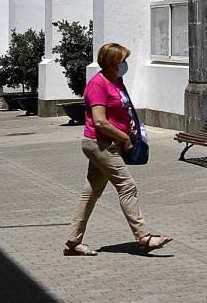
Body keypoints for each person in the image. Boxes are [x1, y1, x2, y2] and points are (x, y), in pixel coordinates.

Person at [64, 42, 172, 256]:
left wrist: (128, 123)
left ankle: (73, 242)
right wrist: (124, 138)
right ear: (112, 63)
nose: (125, 65)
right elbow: (100, 122)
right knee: (127, 185)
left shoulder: (117, 81)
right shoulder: (98, 85)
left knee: (91, 192)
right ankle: (144, 237)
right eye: (122, 61)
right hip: (100, 144)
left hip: (110, 143)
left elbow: (120, 108)